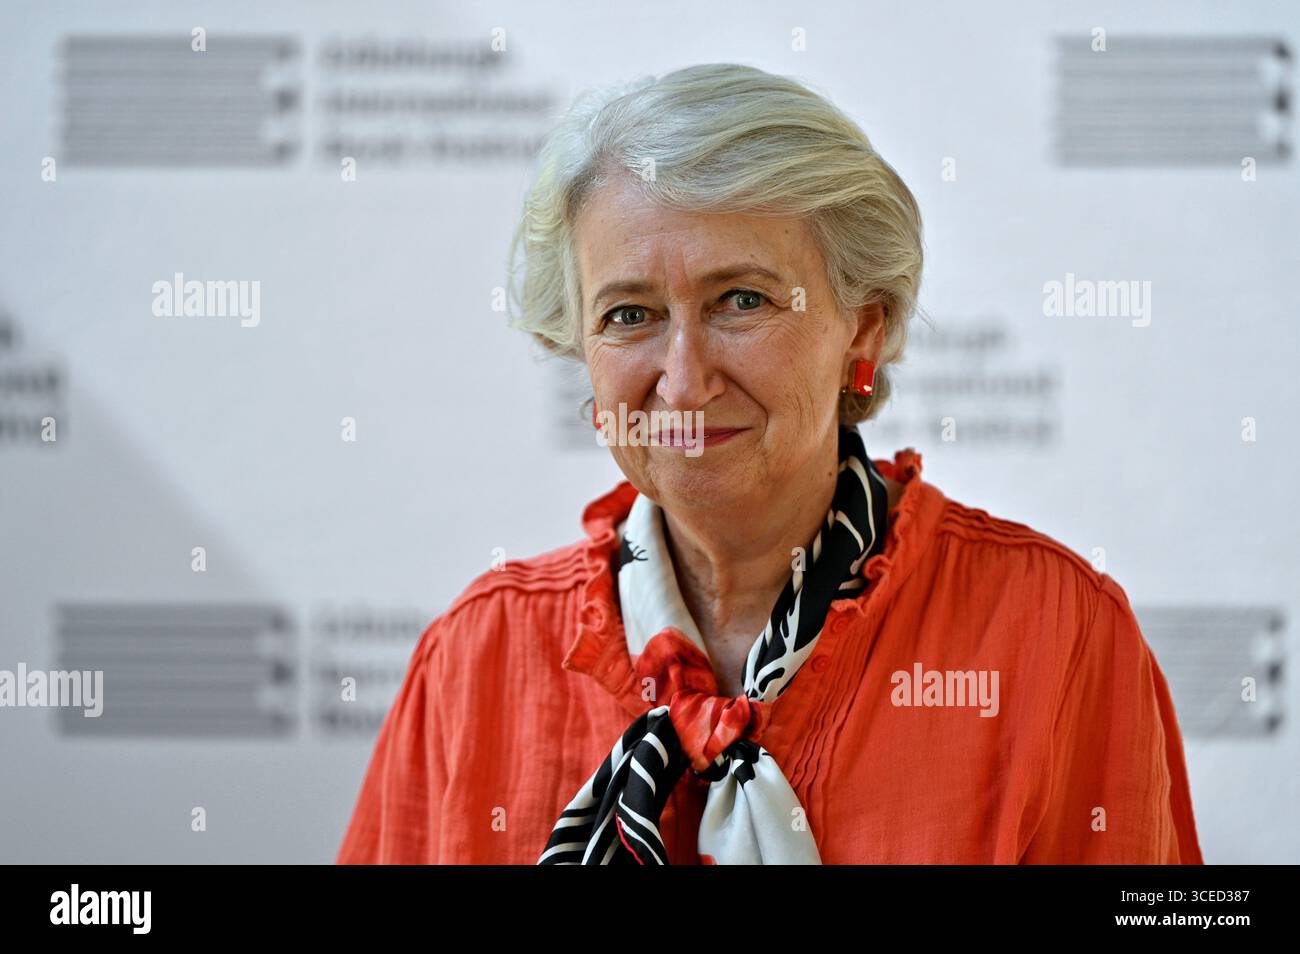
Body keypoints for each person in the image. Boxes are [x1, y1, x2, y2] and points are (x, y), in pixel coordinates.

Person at [336, 63, 1202, 865]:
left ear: (862, 324)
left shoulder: (1054, 634)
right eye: (629, 314)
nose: (682, 380)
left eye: (740, 301)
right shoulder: (477, 657)